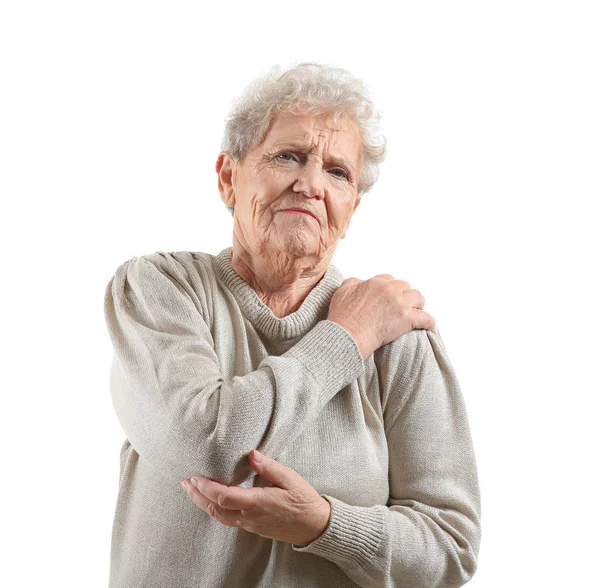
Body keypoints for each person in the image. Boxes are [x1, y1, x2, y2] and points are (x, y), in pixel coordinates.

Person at [103, 61, 481, 588]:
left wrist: (324, 525)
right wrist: (345, 339)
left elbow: (451, 548)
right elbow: (210, 447)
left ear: (349, 211)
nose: (310, 184)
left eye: (337, 172)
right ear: (228, 177)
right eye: (288, 156)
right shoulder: (159, 290)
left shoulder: (400, 339)